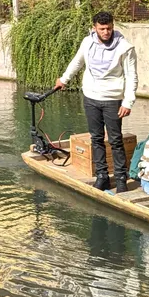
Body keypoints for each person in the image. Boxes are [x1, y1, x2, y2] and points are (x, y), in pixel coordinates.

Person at [54, 11, 138, 192]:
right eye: (102, 29)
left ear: (113, 27)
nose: (106, 32)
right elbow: (77, 62)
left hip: (113, 99)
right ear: (95, 28)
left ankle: (121, 178)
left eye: (109, 28)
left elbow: (132, 76)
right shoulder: (87, 42)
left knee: (115, 140)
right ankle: (102, 175)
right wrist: (64, 79)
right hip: (91, 97)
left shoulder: (125, 47)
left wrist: (128, 102)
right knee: (96, 138)